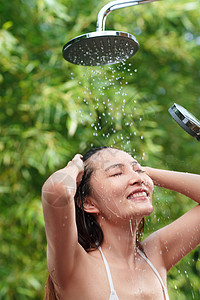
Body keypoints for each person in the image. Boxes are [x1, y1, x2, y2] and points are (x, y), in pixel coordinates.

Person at [42, 146, 200, 299]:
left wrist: (145, 173)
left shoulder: (155, 255)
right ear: (89, 203)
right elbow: (57, 189)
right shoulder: (75, 267)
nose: (138, 178)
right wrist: (74, 167)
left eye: (138, 171)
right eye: (116, 173)